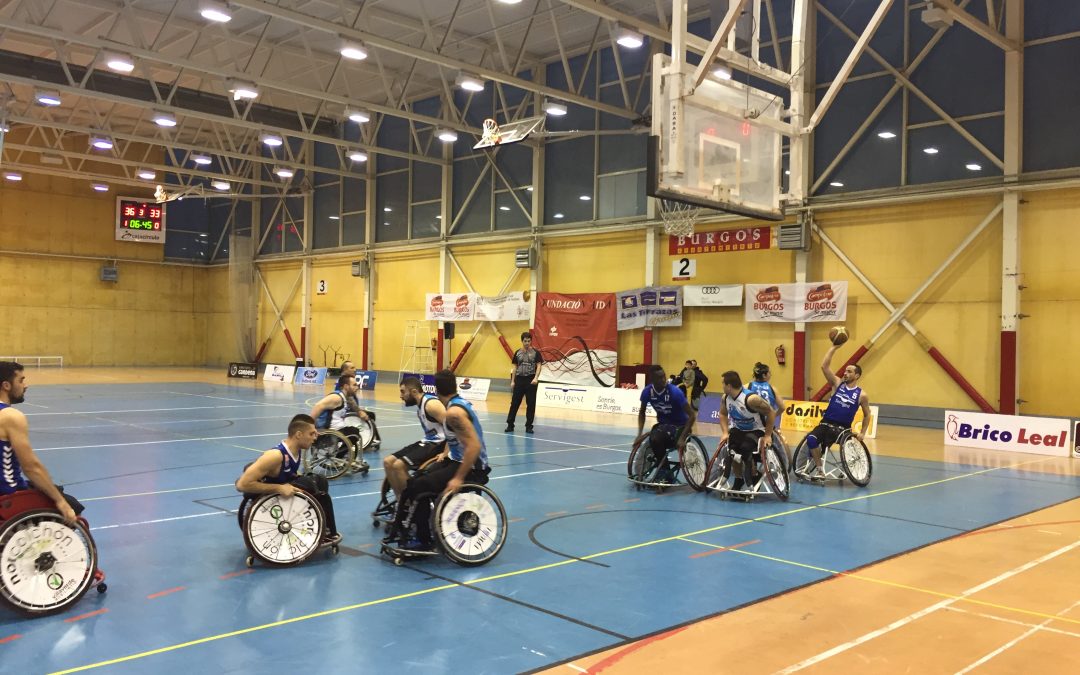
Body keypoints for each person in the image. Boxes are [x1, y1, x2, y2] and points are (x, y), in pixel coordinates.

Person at [389, 369, 490, 551]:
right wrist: (445, 452)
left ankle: (424, 540)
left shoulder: (454, 413)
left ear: (435, 389)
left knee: (420, 487)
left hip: (471, 467)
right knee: (415, 481)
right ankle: (417, 522)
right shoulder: (456, 405)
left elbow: (474, 446)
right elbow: (455, 438)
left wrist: (458, 478)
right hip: (455, 460)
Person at [235, 413, 341, 545]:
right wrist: (278, 488)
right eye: (312, 433)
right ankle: (325, 530)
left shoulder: (296, 451)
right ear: (298, 434)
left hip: (281, 494)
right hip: (270, 499)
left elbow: (288, 471)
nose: (315, 437)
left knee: (320, 480)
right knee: (321, 494)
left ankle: (322, 527)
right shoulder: (275, 455)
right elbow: (241, 485)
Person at [0, 361, 80, 525]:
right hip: (9, 494)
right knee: (71, 505)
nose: (26, 385)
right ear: (6, 385)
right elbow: (31, 468)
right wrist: (61, 502)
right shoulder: (10, 416)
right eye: (21, 380)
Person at [799, 340, 871, 480]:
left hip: (842, 429)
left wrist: (863, 433)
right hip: (825, 423)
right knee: (811, 439)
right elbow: (824, 366)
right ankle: (820, 470)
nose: (845, 373)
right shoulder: (837, 384)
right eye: (845, 371)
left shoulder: (862, 395)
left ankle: (845, 467)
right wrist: (833, 348)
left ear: (857, 376)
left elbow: (867, 415)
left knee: (829, 445)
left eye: (849, 372)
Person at [383, 377, 448, 501]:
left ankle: (410, 502)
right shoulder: (421, 407)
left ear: (413, 392)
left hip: (438, 444)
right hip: (427, 442)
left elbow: (453, 429)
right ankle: (400, 501)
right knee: (388, 462)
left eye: (403, 392)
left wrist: (446, 452)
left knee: (398, 466)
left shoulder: (431, 404)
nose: (400, 396)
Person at [718, 371, 777, 491]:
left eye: (723, 384)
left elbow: (771, 412)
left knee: (745, 448)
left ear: (729, 386)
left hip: (756, 430)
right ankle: (738, 479)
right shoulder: (725, 398)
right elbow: (722, 414)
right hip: (739, 429)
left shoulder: (751, 399)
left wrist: (768, 435)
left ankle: (753, 476)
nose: (722, 386)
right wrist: (724, 432)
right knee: (732, 449)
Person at [636, 365, 695, 483]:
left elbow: (692, 415)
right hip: (663, 426)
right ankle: (665, 471)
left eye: (664, 376)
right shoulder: (647, 392)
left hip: (680, 427)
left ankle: (663, 471)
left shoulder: (675, 392)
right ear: (652, 379)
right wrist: (639, 434)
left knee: (656, 437)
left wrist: (683, 437)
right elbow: (642, 412)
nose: (663, 379)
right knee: (655, 435)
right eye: (659, 377)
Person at [334, 361, 381, 449]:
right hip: (347, 410)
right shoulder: (342, 382)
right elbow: (349, 399)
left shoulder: (347, 379)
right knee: (369, 415)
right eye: (352, 368)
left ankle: (373, 437)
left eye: (354, 367)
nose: (355, 370)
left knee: (370, 414)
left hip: (351, 408)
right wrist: (359, 411)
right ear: (344, 369)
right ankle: (372, 438)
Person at [505, 331, 543, 433]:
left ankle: (529, 426)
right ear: (522, 341)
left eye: (529, 341)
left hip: (531, 381)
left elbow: (539, 365)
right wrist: (513, 381)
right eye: (525, 341)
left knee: (531, 404)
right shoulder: (517, 353)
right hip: (519, 380)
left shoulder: (536, 353)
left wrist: (536, 378)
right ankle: (510, 424)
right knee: (514, 403)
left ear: (531, 341)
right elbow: (515, 367)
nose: (527, 343)